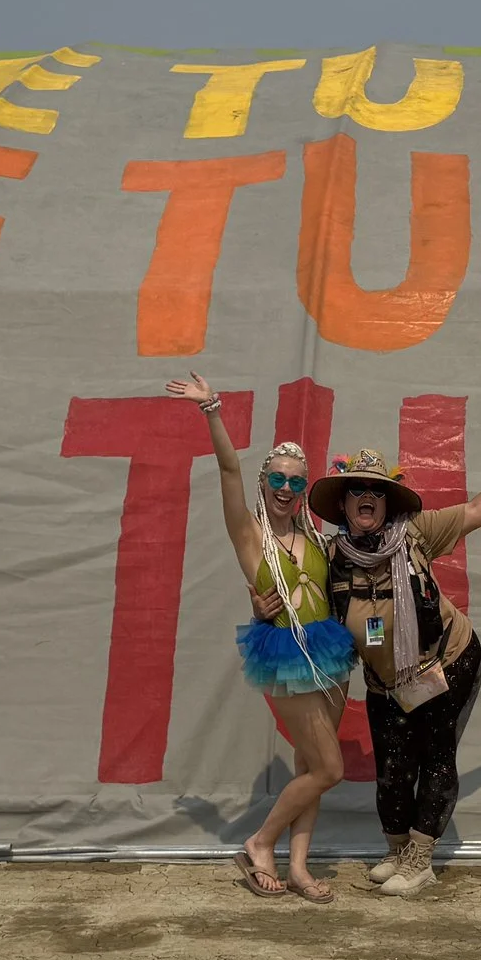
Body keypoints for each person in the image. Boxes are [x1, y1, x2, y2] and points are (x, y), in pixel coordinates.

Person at [301, 441, 481, 897]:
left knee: (433, 756)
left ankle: (420, 858)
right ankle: (398, 850)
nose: (367, 496)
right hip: (384, 680)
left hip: (444, 661)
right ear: (343, 504)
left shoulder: (415, 532)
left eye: (376, 491)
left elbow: (478, 510)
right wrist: (263, 602)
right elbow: (289, 583)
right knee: (391, 769)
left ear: (388, 501)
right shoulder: (329, 556)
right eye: (356, 489)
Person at [164, 373, 355, 902]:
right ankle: (260, 841)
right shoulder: (249, 533)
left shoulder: (314, 535)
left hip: (331, 653)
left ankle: (298, 867)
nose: (287, 490)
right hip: (286, 653)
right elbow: (228, 467)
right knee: (330, 769)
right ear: (264, 482)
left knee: (308, 766)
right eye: (278, 480)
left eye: (297, 482)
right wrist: (212, 410)